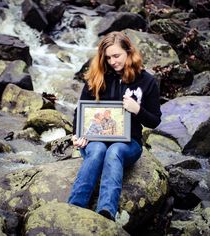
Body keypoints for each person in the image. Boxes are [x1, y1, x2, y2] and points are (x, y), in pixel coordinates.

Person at [68, 31, 162, 221]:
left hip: (129, 143)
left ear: (129, 52)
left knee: (114, 151)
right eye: (108, 57)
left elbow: (154, 121)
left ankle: (106, 212)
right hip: (96, 138)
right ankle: (74, 206)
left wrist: (137, 109)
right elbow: (81, 111)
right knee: (97, 150)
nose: (112, 61)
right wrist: (77, 135)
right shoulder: (97, 77)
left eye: (116, 55)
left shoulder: (147, 81)